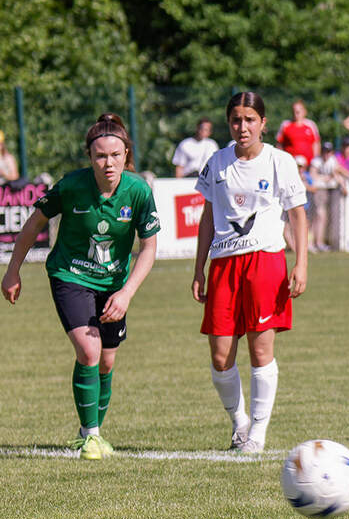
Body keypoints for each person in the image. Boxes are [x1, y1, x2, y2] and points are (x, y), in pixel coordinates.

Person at [2, 113, 160, 459]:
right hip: (70, 275)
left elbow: (149, 247)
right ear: (89, 157)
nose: (108, 163)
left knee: (105, 361)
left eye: (115, 155)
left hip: (115, 283)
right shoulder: (71, 186)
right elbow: (33, 225)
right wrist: (13, 270)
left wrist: (126, 293)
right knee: (88, 351)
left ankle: (88, 429)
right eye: (100, 156)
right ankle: (91, 436)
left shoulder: (138, 192)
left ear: (126, 156)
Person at [191, 91, 309, 453]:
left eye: (249, 120)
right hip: (224, 265)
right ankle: (239, 422)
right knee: (220, 354)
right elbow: (208, 217)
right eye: (236, 120)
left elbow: (297, 214)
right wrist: (199, 268)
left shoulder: (280, 161)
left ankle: (257, 433)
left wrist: (301, 262)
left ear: (263, 123)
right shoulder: (217, 162)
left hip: (265, 262)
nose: (242, 127)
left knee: (261, 350)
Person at [275, 100, 321, 166]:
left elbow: (316, 143)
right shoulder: (285, 125)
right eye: (294, 111)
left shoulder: (311, 125)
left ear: (304, 112)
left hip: (308, 166)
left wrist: (315, 160)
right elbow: (279, 144)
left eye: (298, 111)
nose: (296, 113)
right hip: (290, 164)